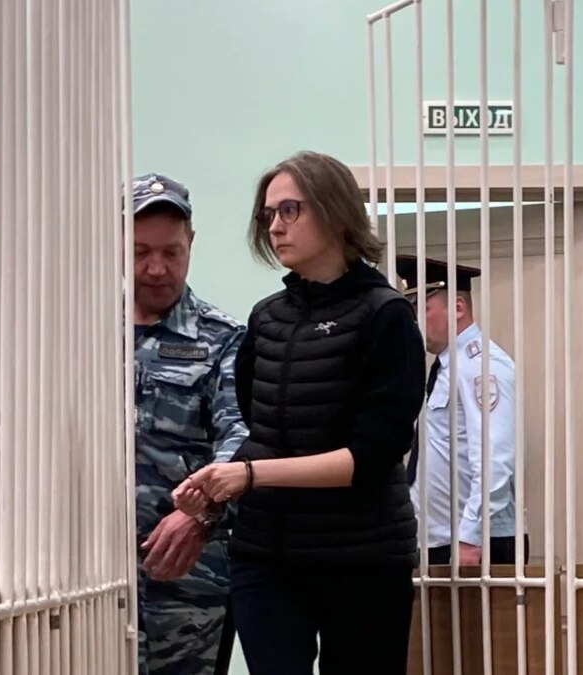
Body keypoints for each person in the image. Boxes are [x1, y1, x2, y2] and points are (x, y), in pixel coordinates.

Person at [173, 151, 426, 675]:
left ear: (336, 213)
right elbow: (263, 430)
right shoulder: (266, 319)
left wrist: (249, 475)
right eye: (268, 214)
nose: (275, 226)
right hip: (267, 554)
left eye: (290, 210)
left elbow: (372, 457)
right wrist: (212, 488)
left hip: (363, 558)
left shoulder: (386, 316)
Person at [129, 173, 248, 675]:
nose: (156, 268)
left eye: (171, 253)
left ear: (191, 244)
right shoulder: (78, 330)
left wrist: (201, 513)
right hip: (85, 578)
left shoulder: (221, 339)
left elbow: (241, 437)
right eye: (140, 252)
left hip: (187, 587)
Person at [395, 254, 527, 566]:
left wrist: (470, 536)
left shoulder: (481, 366)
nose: (415, 321)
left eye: (423, 309)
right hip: (439, 538)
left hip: (475, 542)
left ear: (457, 308)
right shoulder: (447, 367)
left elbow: (494, 457)